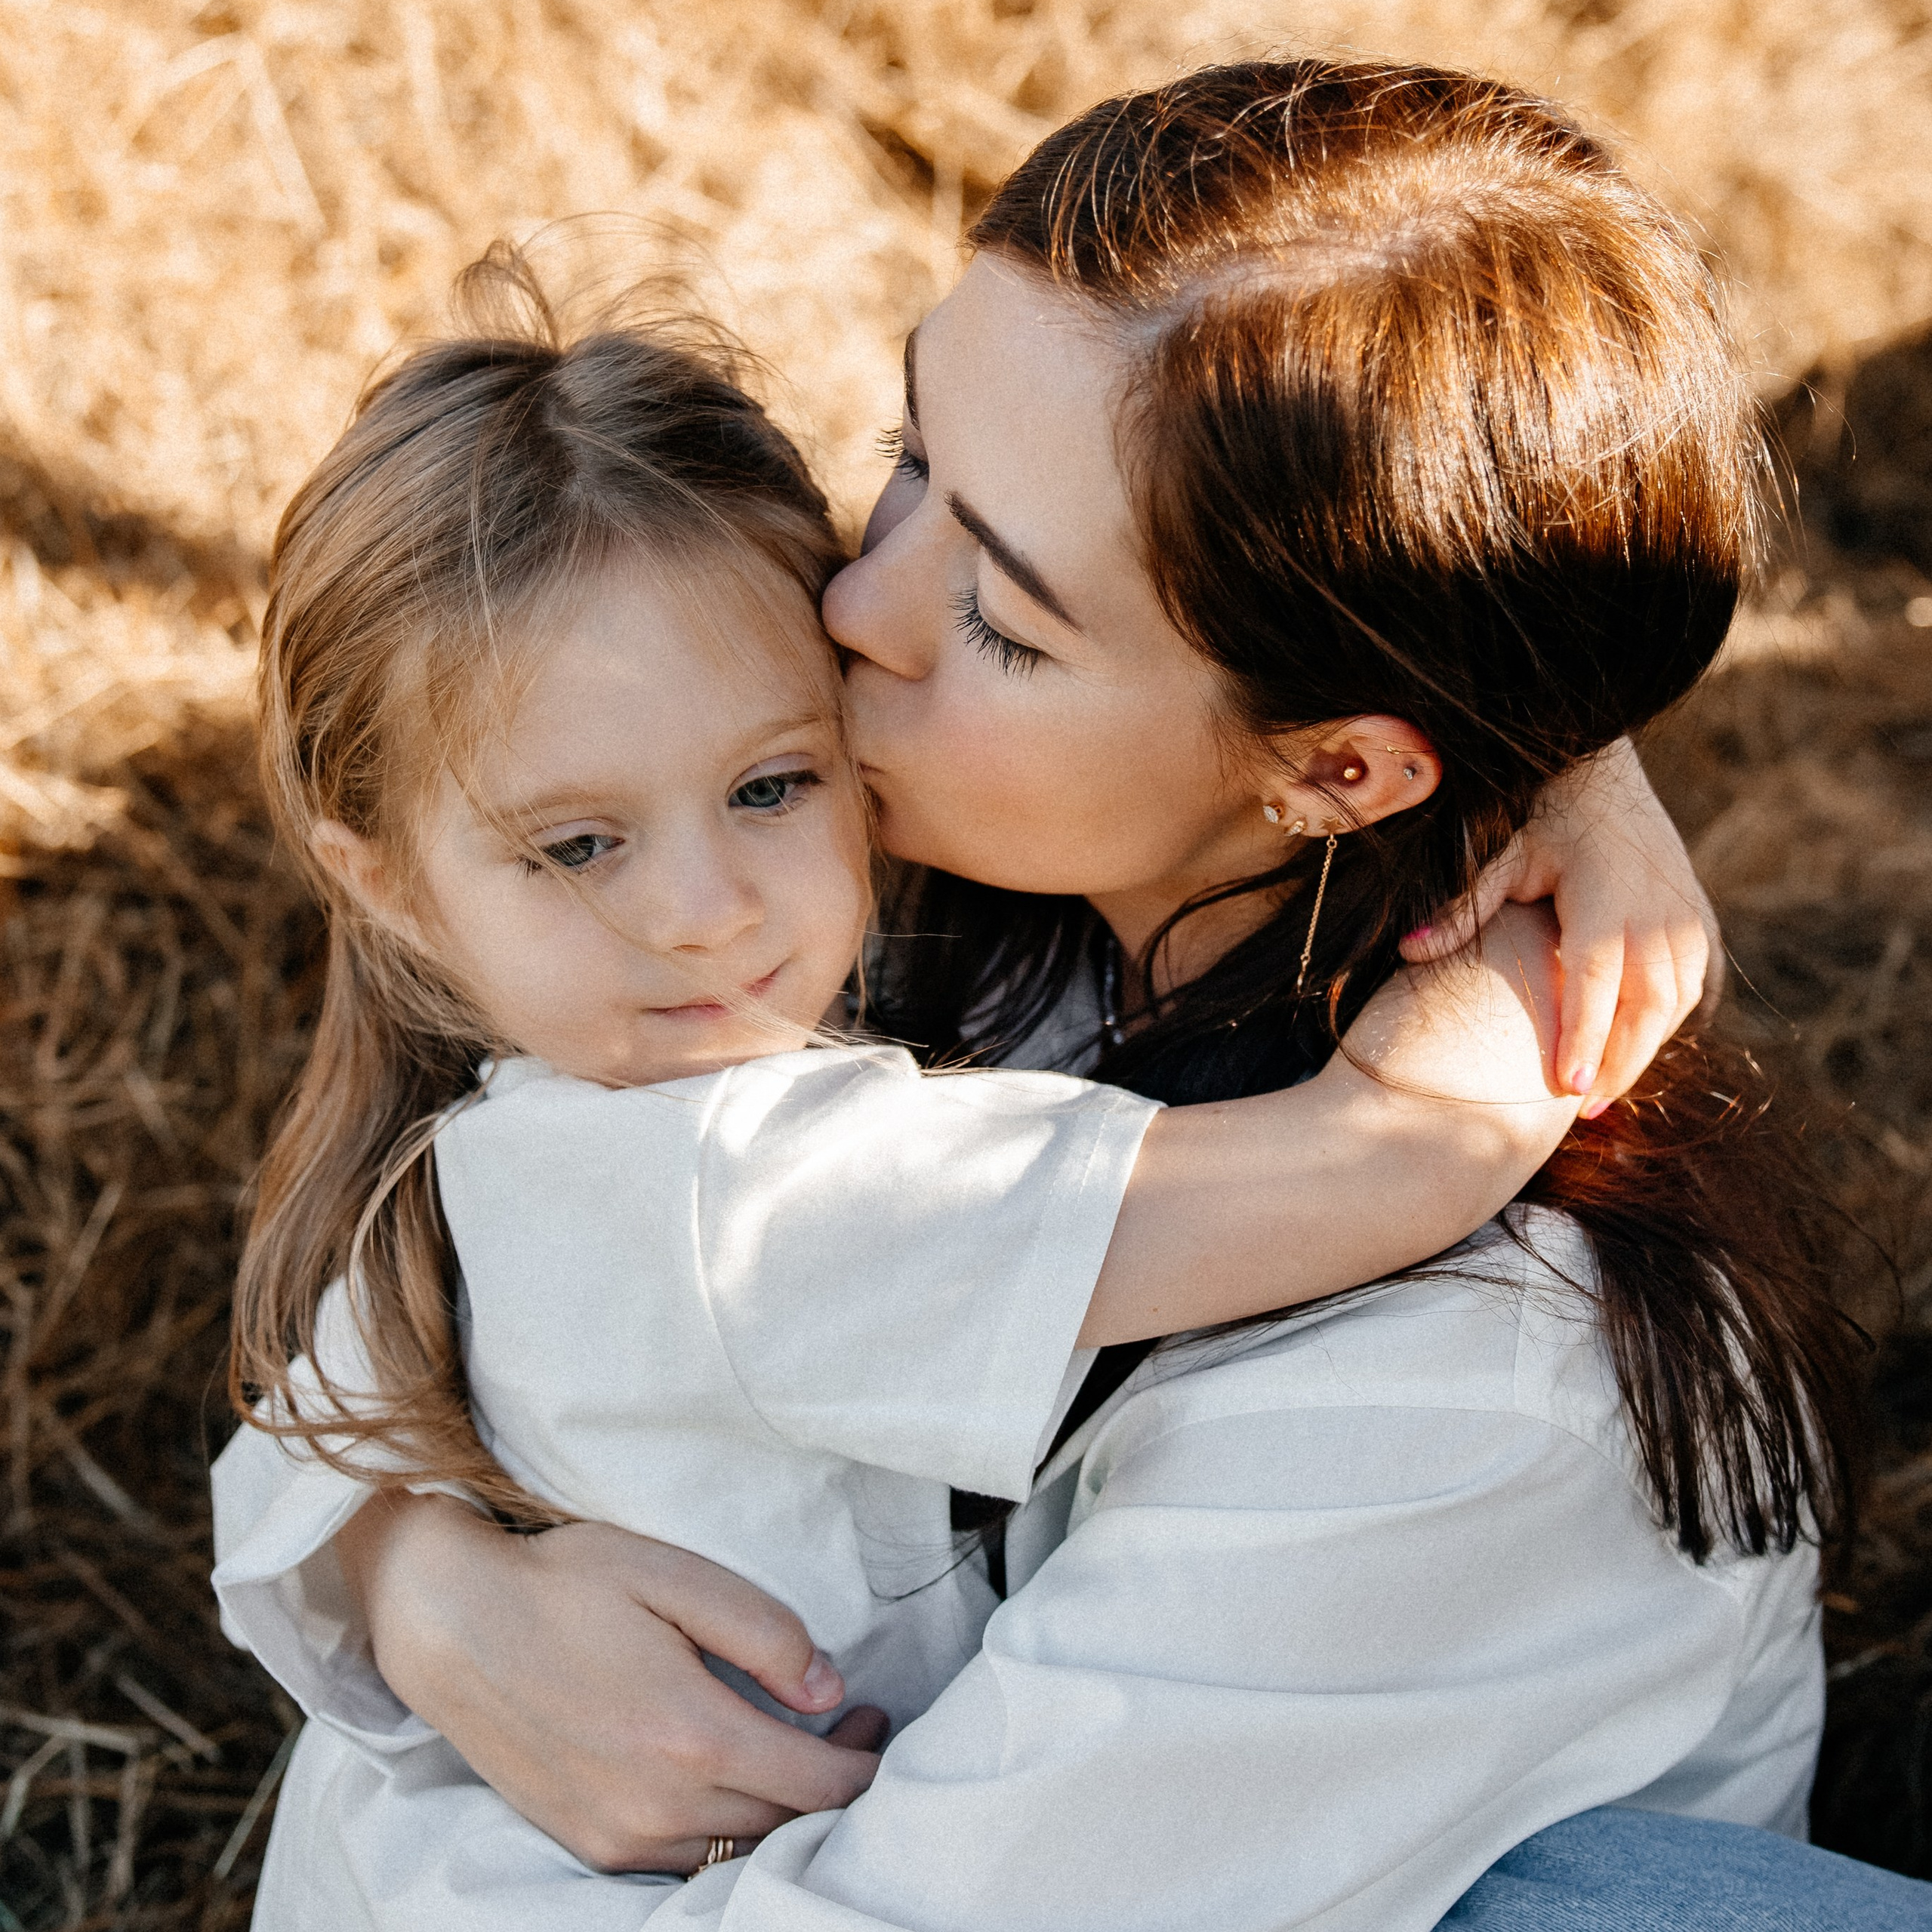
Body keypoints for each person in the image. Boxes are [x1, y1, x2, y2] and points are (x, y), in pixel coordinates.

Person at [213, 58, 1932, 1930]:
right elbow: (457, 1259)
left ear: (1342, 770)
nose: (854, 608)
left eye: (1005, 621)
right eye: (914, 452)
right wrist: (417, 1576)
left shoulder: (1464, 1399)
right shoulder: (837, 845)